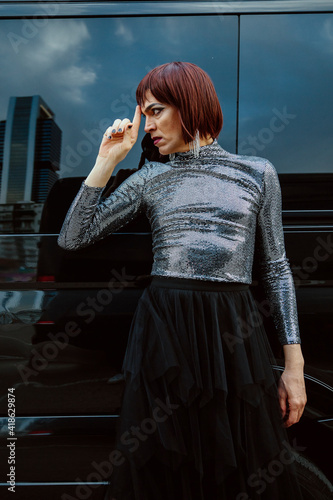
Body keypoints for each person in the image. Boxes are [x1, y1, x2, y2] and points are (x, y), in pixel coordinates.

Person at [58, 61, 307, 500]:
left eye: (155, 111)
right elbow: (73, 238)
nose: (147, 125)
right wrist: (105, 161)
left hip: (235, 331)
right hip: (165, 332)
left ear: (189, 104)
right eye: (143, 113)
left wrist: (294, 366)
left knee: (242, 459)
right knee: (163, 460)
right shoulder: (151, 177)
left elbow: (276, 269)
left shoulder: (257, 171)